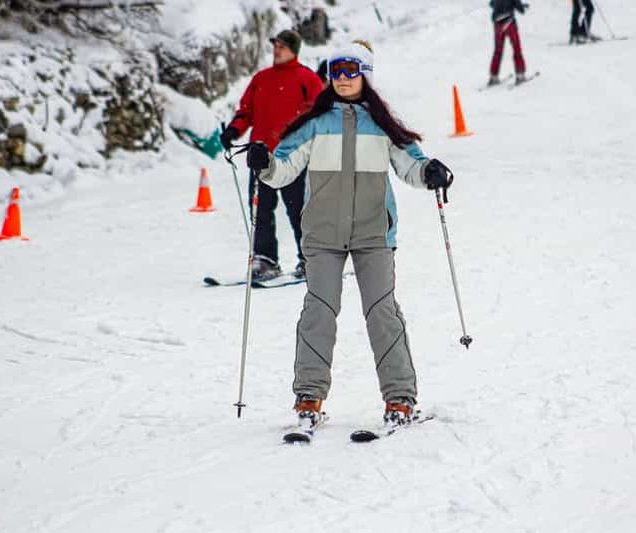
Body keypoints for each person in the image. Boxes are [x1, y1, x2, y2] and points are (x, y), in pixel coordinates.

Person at [244, 42, 454, 432]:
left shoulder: (382, 125)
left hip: (374, 234)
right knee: (318, 313)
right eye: (336, 70)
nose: (342, 78)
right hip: (322, 235)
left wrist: (431, 174)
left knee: (382, 313)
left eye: (350, 70)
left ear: (364, 74)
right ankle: (309, 397)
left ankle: (400, 398)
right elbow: (282, 169)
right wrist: (264, 163)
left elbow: (412, 165)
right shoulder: (314, 124)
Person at [221, 29, 324, 281]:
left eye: (283, 46)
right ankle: (265, 260)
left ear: (294, 50)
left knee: (299, 209)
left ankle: (310, 258)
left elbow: (320, 114)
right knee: (260, 209)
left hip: (294, 156)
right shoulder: (261, 79)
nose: (277, 50)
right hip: (260, 155)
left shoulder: (307, 79)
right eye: (276, 45)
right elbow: (246, 111)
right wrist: (234, 130)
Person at [488, 0, 528, 86]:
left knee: (498, 50)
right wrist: (521, 6)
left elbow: (491, 3)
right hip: (509, 22)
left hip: (497, 23)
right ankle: (520, 75)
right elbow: (520, 9)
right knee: (516, 48)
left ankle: (493, 76)